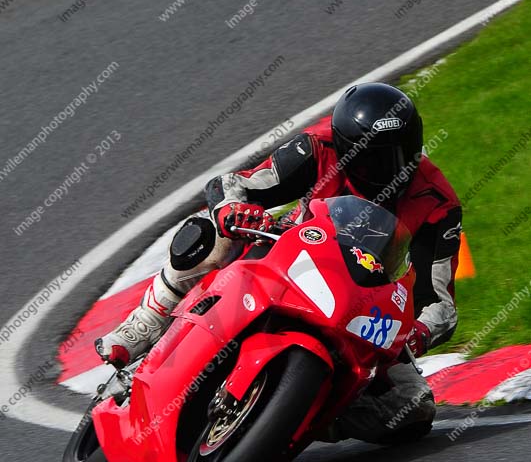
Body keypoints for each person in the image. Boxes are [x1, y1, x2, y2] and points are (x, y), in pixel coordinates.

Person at [96, 82, 462, 443]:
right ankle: (146, 322)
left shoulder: (437, 201)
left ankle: (303, 417)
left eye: (401, 153)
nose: (389, 168)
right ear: (347, 150)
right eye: (374, 159)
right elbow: (235, 184)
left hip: (361, 309)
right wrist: (233, 210)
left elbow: (439, 303)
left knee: (413, 407)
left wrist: (417, 332)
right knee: (213, 233)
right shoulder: (317, 147)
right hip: (291, 261)